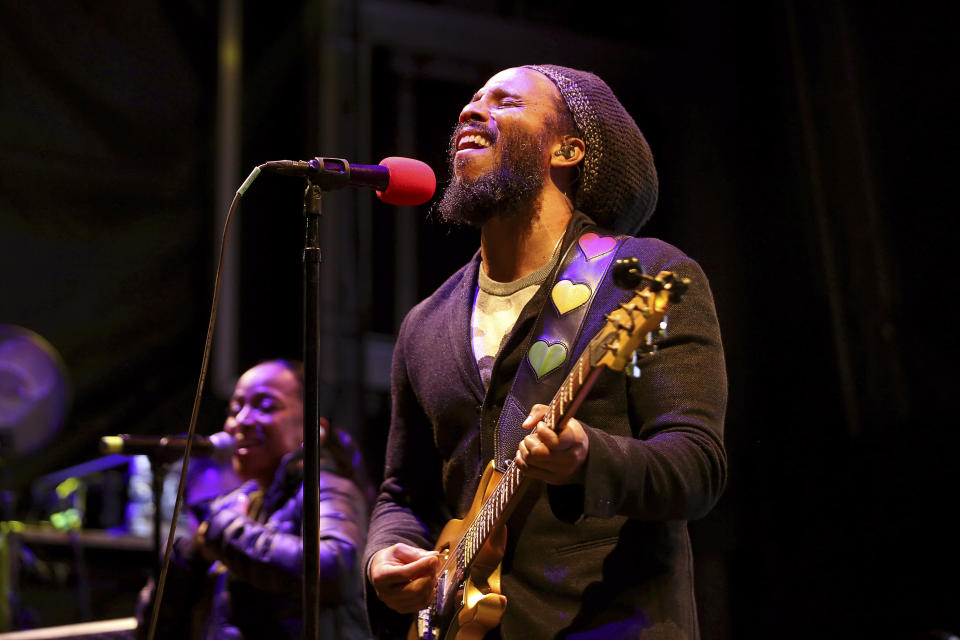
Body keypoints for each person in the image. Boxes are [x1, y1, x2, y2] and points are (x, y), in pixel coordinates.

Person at [364, 65, 727, 640]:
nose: (470, 111)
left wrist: (590, 456)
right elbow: (401, 492)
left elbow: (697, 466)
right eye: (473, 98)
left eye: (505, 102)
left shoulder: (643, 277)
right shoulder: (424, 323)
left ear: (567, 149)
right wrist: (386, 554)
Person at [137, 359, 372, 640]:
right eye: (235, 408)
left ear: (314, 432)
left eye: (266, 406)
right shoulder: (236, 504)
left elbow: (334, 569)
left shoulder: (326, 487)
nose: (242, 421)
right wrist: (187, 556)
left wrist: (224, 530)